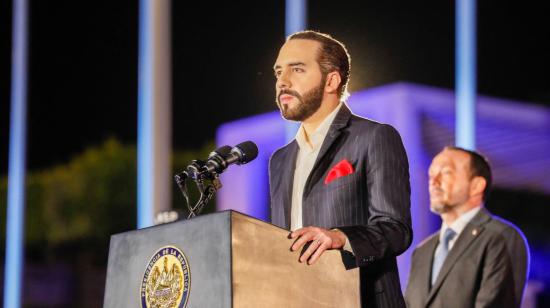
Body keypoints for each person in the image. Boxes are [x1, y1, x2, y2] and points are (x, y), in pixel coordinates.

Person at [269, 30, 412, 308]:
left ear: (331, 80)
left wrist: (339, 237)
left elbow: (396, 230)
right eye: (277, 73)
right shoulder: (280, 160)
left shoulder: (374, 137)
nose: (282, 82)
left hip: (363, 299)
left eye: (297, 69)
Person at [405, 147, 529, 308]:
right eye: (431, 174)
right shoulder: (422, 251)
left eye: (446, 172)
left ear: (476, 185)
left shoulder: (501, 236)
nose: (433, 181)